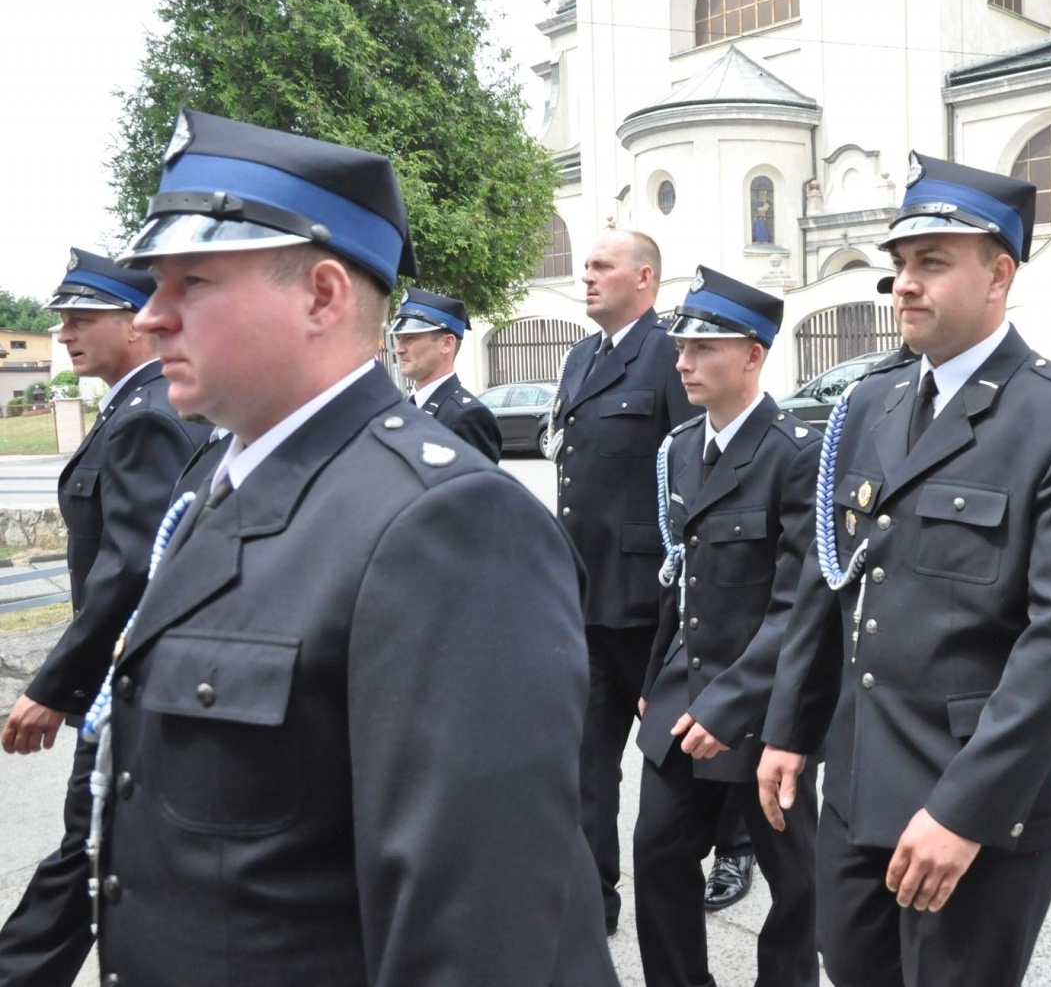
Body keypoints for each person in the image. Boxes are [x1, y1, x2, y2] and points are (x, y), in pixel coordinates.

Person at [93, 109, 617, 985]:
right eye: (155, 283)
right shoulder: (214, 483)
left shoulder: (445, 525)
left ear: (323, 295)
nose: (149, 317)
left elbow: (478, 940)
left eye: (191, 282)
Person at [756, 153, 1051, 987]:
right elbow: (831, 582)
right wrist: (791, 725)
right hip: (861, 776)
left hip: (983, 795)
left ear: (999, 274)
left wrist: (967, 809)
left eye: (932, 262)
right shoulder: (870, 404)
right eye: (900, 265)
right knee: (853, 969)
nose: (905, 285)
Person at [0, 251, 210, 987]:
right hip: (129, 679)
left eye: (81, 317)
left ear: (134, 321)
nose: (62, 333)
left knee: (87, 850)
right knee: (105, 851)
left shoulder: (147, 417)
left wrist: (55, 686)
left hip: (130, 679)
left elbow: (131, 571)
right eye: (59, 319)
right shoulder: (134, 406)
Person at [633, 267, 822, 987]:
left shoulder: (797, 452)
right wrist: (657, 674)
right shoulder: (681, 447)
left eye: (703, 348)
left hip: (768, 704)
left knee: (796, 876)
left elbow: (799, 601)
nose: (683, 362)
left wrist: (730, 703)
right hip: (686, 690)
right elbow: (679, 573)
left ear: (752, 354)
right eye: (681, 347)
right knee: (656, 851)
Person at [554, 229, 697, 933]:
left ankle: (731, 847)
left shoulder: (671, 353)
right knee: (585, 767)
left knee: (684, 761)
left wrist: (686, 598)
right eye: (585, 266)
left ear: (644, 277)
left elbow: (694, 474)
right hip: (586, 599)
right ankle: (591, 901)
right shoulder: (583, 355)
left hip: (651, 603)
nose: (586, 277)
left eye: (601, 266)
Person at [388, 287, 501, 462]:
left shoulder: (468, 417)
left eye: (410, 338)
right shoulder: (403, 407)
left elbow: (477, 488)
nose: (399, 349)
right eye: (399, 339)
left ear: (447, 344)